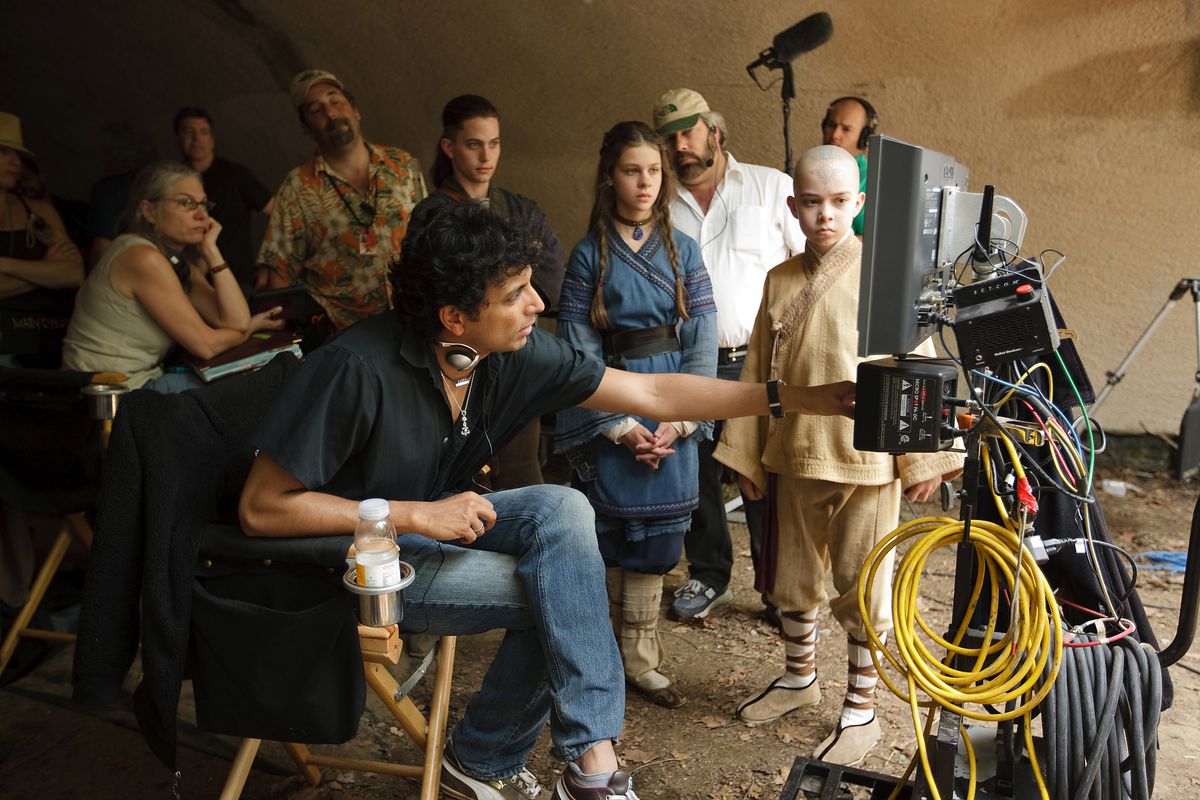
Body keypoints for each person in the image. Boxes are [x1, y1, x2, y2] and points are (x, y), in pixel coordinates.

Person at [237, 203, 854, 800]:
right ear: (454, 318)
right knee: (555, 591)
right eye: (514, 295)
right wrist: (416, 514)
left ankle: (577, 762)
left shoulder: (507, 352)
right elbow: (262, 509)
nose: (538, 303)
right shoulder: (354, 369)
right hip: (357, 567)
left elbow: (654, 391)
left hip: (433, 530)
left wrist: (801, 397)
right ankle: (506, 760)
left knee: (562, 509)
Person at [714, 146, 962, 766]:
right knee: (792, 579)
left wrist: (924, 459)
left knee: (863, 582)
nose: (825, 216)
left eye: (838, 203)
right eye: (812, 203)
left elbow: (917, 364)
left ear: (860, 204)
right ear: (793, 206)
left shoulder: (883, 280)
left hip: (867, 459)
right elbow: (756, 373)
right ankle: (800, 679)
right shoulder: (779, 279)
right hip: (794, 450)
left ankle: (862, 708)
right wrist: (747, 454)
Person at [554, 121, 716, 711]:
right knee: (609, 534)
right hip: (612, 396)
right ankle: (604, 659)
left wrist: (679, 420)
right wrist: (621, 427)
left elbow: (702, 338)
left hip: (675, 403)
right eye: (631, 170)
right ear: (609, 177)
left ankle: (641, 661)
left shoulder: (685, 249)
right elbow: (578, 348)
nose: (644, 181)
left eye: (653, 170)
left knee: (656, 542)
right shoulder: (589, 254)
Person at [651, 88, 804, 624]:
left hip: (755, 361)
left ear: (715, 131)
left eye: (689, 132)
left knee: (761, 474)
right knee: (693, 477)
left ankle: (776, 590)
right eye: (670, 138)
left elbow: (810, 268)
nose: (680, 146)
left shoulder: (770, 188)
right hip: (687, 361)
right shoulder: (658, 207)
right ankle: (709, 575)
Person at [409, 94, 566, 490]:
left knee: (521, 475)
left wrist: (498, 287)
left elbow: (552, 282)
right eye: (473, 143)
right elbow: (434, 296)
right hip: (454, 364)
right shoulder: (432, 213)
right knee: (455, 474)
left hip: (515, 361)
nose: (486, 155)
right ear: (450, 147)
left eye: (493, 143)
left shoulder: (519, 208)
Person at [61, 161, 283, 391]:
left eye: (203, 204)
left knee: (260, 377)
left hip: (139, 380)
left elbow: (235, 322)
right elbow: (206, 346)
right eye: (187, 203)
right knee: (252, 387)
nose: (201, 215)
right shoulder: (141, 257)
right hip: (108, 390)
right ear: (149, 211)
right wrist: (247, 331)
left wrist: (211, 252)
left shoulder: (176, 261)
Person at [256, 69, 427, 333]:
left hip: (412, 321)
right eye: (316, 110)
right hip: (343, 337)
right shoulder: (298, 186)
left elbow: (429, 237)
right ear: (306, 128)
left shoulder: (402, 165)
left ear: (355, 110)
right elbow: (279, 272)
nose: (331, 113)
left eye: (335, 101)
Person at [174, 107, 275, 285]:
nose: (196, 139)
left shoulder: (236, 176)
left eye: (203, 132)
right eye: (188, 132)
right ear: (178, 138)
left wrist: (270, 262)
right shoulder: (172, 182)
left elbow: (283, 216)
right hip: (191, 281)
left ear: (212, 140)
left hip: (237, 278)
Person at [0, 112, 84, 303]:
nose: (16, 162)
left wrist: (5, 265)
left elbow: (73, 274)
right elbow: (61, 274)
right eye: (3, 151)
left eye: (17, 154)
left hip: (47, 324)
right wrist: (46, 270)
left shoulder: (40, 211)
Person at [820, 97, 878, 237]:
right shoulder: (809, 169)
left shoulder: (872, 178)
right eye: (831, 125)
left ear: (864, 137)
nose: (835, 135)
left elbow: (872, 242)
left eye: (846, 129)